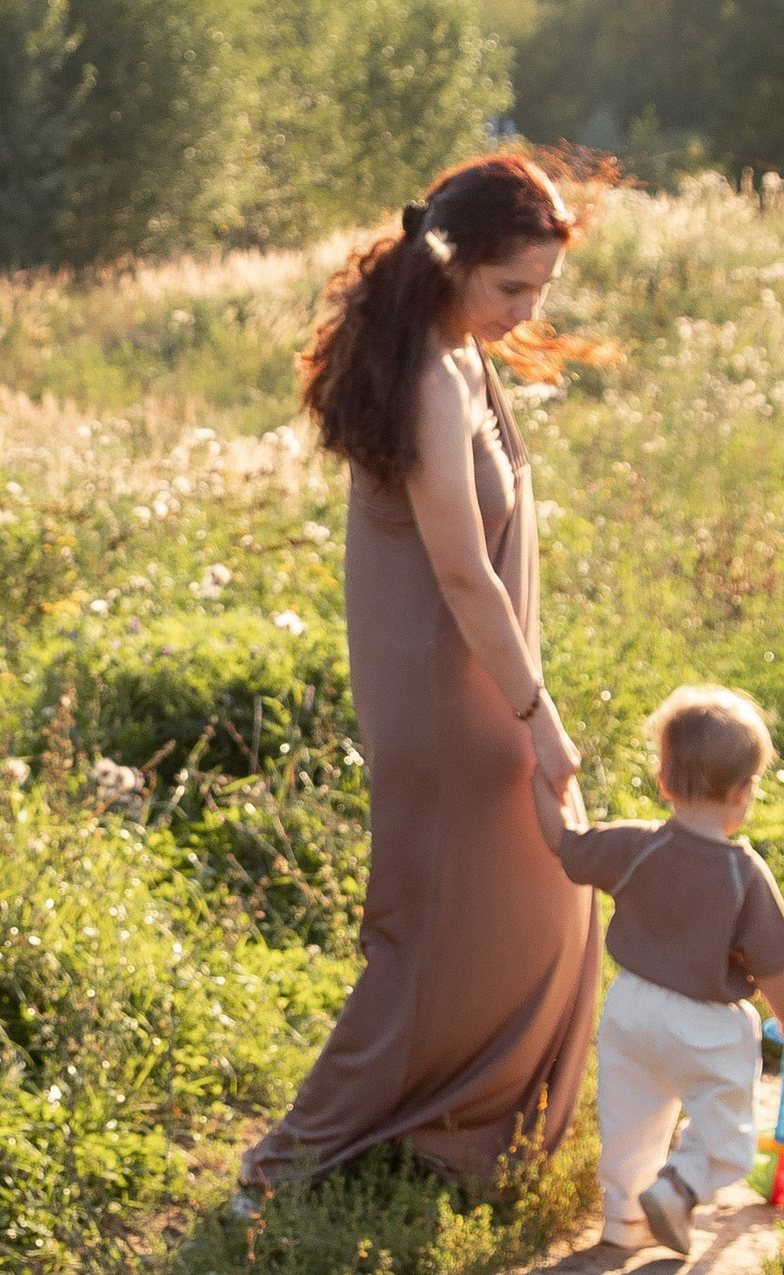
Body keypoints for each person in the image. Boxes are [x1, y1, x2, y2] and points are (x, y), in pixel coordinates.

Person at [238, 152, 599, 1198]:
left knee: (530, 913)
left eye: (541, 291)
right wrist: (539, 717)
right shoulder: (429, 376)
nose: (525, 311)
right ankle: (285, 1164)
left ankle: (449, 1137)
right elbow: (459, 571)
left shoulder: (456, 348)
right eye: (511, 289)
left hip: (476, 683)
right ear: (450, 264)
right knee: (431, 934)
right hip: (451, 699)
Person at [530, 682, 784, 1255]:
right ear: (744, 791)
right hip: (706, 1024)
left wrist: (545, 779)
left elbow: (563, 842)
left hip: (632, 1009)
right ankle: (681, 1186)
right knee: (729, 1133)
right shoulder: (744, 873)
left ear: (664, 783)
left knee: (630, 1120)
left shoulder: (636, 846)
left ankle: (624, 1221)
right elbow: (771, 967)